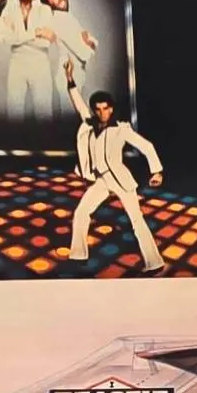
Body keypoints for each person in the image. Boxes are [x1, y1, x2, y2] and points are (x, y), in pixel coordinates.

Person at [71, 92, 165, 275]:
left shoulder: (121, 129)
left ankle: (154, 262)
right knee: (81, 212)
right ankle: (78, 255)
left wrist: (157, 171)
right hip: (101, 180)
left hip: (120, 180)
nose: (102, 113)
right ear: (94, 110)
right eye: (98, 109)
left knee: (136, 219)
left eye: (105, 108)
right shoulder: (89, 126)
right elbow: (79, 105)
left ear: (111, 109)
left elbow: (146, 146)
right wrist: (70, 82)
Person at [2, 0, 56, 121]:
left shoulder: (45, 10)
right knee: (14, 113)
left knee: (44, 114)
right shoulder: (9, 9)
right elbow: (7, 40)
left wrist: (18, 37)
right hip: (16, 65)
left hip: (40, 65)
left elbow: (45, 43)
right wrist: (36, 32)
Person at [42, 0, 98, 120]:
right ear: (48, 3)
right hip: (68, 76)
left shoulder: (68, 17)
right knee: (73, 120)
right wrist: (89, 44)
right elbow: (84, 53)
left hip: (75, 75)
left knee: (77, 120)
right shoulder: (59, 20)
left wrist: (89, 42)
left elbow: (91, 39)